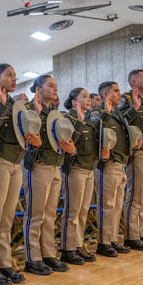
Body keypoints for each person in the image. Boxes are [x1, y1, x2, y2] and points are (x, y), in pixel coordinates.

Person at [0, 63, 37, 285]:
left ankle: (4, 263)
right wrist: (1, 106)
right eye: (8, 75)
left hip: (15, 161)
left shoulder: (14, 103)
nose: (13, 78)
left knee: (6, 218)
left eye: (14, 75)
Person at [21, 74, 75, 275]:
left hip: (55, 164)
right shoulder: (29, 110)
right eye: (50, 86)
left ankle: (48, 254)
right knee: (35, 214)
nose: (55, 89)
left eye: (56, 86)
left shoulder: (55, 113)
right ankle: (32, 257)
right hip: (37, 165)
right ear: (38, 89)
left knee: (50, 214)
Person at [90, 81, 133, 257]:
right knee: (106, 205)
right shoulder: (97, 112)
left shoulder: (119, 114)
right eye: (116, 91)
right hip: (107, 165)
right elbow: (94, 130)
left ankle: (113, 239)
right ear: (106, 94)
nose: (120, 94)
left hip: (121, 162)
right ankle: (103, 242)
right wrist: (106, 114)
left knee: (116, 206)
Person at [118, 69, 143, 250]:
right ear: (133, 81)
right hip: (138, 152)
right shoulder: (126, 99)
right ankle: (132, 236)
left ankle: (142, 233)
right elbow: (120, 122)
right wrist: (134, 108)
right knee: (136, 196)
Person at [59, 87, 100, 264]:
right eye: (84, 97)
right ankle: (67, 249)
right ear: (74, 101)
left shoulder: (89, 119)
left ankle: (77, 245)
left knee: (83, 211)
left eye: (88, 97)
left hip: (89, 168)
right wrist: (79, 123)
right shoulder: (68, 119)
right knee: (73, 210)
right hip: (74, 169)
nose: (88, 99)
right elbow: (67, 144)